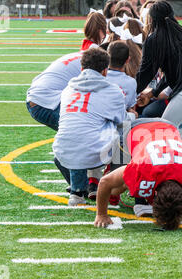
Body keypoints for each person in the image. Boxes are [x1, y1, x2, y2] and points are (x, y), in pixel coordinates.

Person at [94, 118, 182, 230]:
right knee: (115, 191)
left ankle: (126, 181)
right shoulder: (142, 169)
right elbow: (105, 182)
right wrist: (101, 214)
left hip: (169, 127)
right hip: (137, 128)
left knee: (125, 185)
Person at [52, 48, 127, 206]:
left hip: (61, 153)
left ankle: (77, 190)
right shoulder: (113, 90)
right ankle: (111, 191)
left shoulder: (67, 89)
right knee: (124, 133)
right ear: (105, 71)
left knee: (76, 134)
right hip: (96, 154)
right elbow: (121, 121)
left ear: (81, 68)